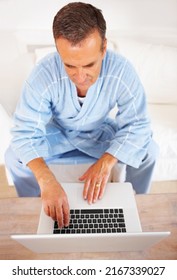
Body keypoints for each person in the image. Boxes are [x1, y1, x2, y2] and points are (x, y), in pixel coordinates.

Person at [5, 2, 158, 228]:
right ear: (58, 52)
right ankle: (33, 206)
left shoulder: (122, 71)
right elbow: (24, 132)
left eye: (89, 64)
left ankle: (134, 202)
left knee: (149, 150)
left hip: (99, 135)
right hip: (57, 135)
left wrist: (108, 160)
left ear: (103, 48)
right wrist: (47, 180)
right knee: (13, 156)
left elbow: (139, 124)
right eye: (70, 65)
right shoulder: (42, 74)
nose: (80, 76)